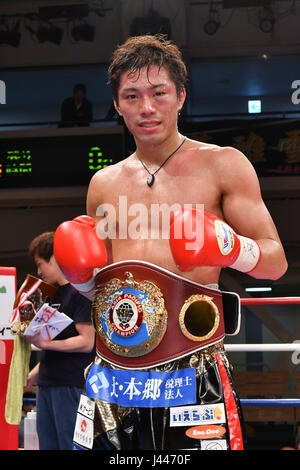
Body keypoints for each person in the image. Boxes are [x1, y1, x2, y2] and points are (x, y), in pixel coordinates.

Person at [53, 35, 288, 451]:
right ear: (116, 104)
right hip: (113, 371)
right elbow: (101, 282)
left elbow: (275, 262)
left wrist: (230, 247)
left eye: (159, 93)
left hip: (190, 367)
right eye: (132, 95)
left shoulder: (223, 164)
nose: (146, 107)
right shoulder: (102, 184)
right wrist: (81, 279)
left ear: (181, 96)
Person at [23, 231, 95, 450]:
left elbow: (87, 342)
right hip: (47, 383)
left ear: (54, 258)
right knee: (47, 444)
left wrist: (46, 344)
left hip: (71, 384)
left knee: (69, 444)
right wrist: (33, 374)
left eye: (40, 263)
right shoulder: (50, 295)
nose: (38, 271)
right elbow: (51, 344)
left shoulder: (80, 292)